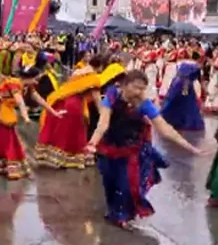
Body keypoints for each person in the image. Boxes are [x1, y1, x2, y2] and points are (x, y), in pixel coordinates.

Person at [87, 70, 205, 228]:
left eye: (143, 89)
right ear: (125, 85)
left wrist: (190, 148)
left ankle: (122, 216)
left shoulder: (144, 104)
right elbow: (103, 124)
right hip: (108, 147)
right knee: (109, 183)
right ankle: (114, 212)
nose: (139, 92)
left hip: (130, 151)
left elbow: (164, 128)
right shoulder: (112, 95)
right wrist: (92, 142)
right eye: (136, 88)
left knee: (126, 186)